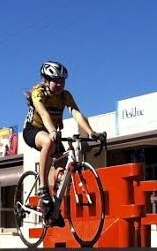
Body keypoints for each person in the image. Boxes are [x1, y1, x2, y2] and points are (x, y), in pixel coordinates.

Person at [23, 61, 105, 227]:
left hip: (54, 133)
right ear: (46, 80)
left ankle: (50, 209)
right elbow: (44, 113)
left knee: (61, 171)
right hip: (34, 130)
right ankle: (43, 189)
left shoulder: (65, 95)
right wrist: (53, 132)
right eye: (56, 80)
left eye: (63, 80)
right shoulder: (39, 93)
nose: (60, 84)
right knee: (49, 142)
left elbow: (75, 112)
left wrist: (90, 132)